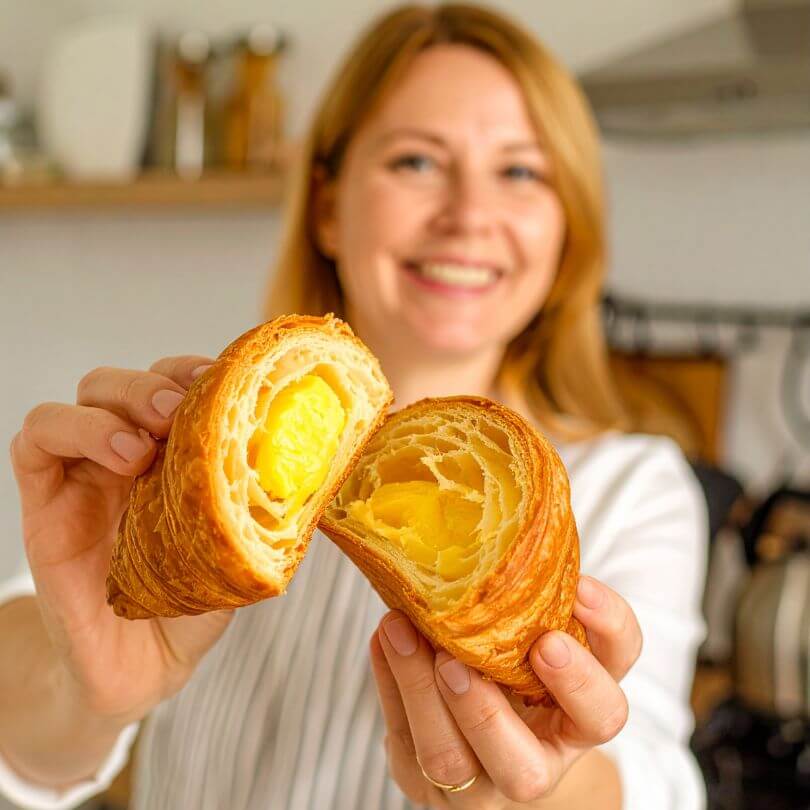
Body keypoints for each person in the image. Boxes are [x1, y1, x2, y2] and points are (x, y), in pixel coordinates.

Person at [0, 4, 708, 809]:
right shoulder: (209, 449)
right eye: (416, 162)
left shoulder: (633, 487)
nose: (469, 215)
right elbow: (24, 722)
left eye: (521, 172)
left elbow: (646, 771)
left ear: (566, 226)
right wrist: (90, 691)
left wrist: (532, 792)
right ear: (328, 205)